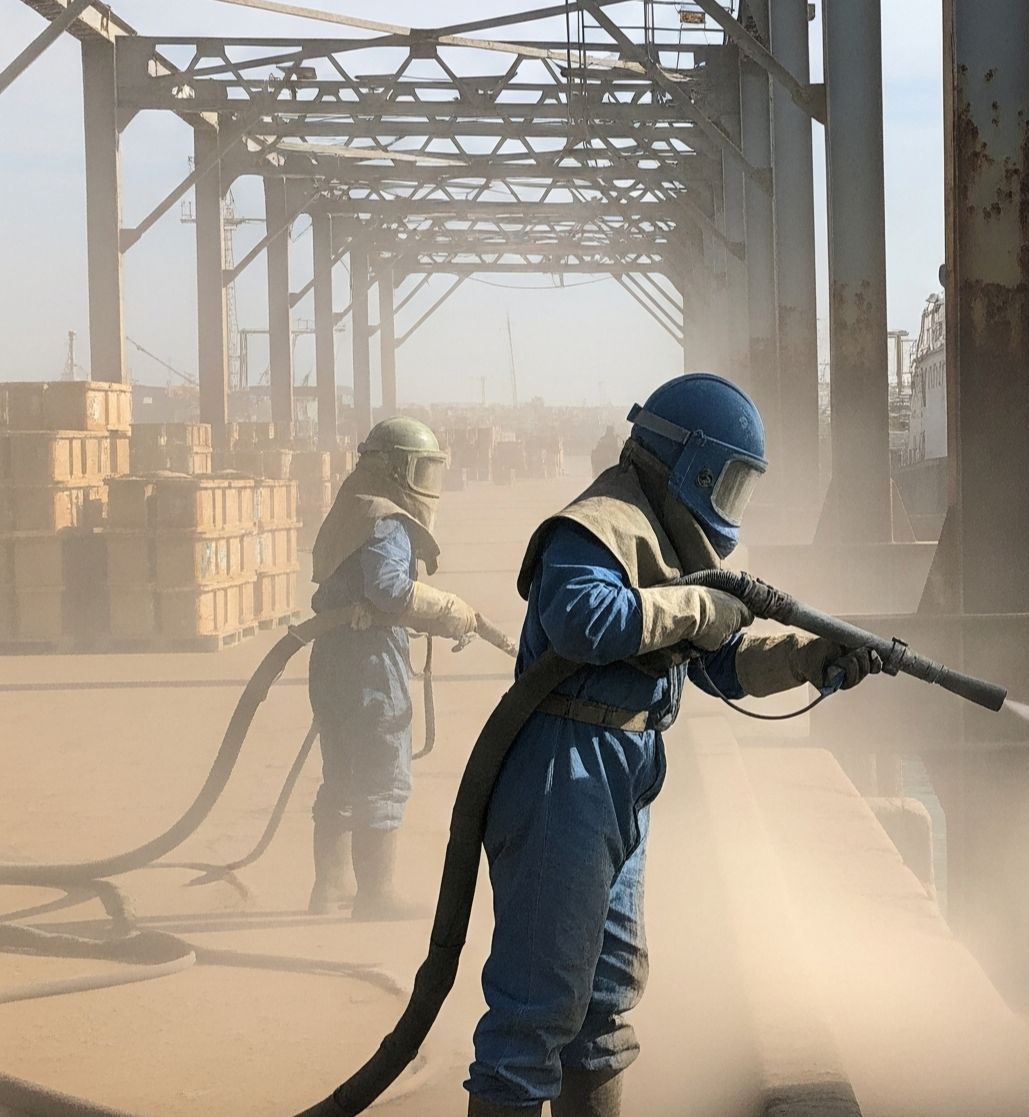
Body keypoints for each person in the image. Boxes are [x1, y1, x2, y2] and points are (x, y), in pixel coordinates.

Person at [467, 373, 880, 1117]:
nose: (730, 508)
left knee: (604, 1002)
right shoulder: (595, 526)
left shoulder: (670, 543)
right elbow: (582, 619)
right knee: (535, 1014)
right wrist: (697, 605)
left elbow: (721, 661)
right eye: (727, 485)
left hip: (621, 775)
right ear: (687, 468)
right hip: (564, 771)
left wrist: (807, 658)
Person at [306, 417, 486, 919]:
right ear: (392, 469)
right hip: (369, 660)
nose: (427, 485)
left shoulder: (353, 507)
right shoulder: (386, 519)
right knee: (382, 771)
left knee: (340, 771)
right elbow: (388, 589)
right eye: (421, 471)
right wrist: (447, 610)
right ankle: (375, 894)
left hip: (331, 655)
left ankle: (330, 887)